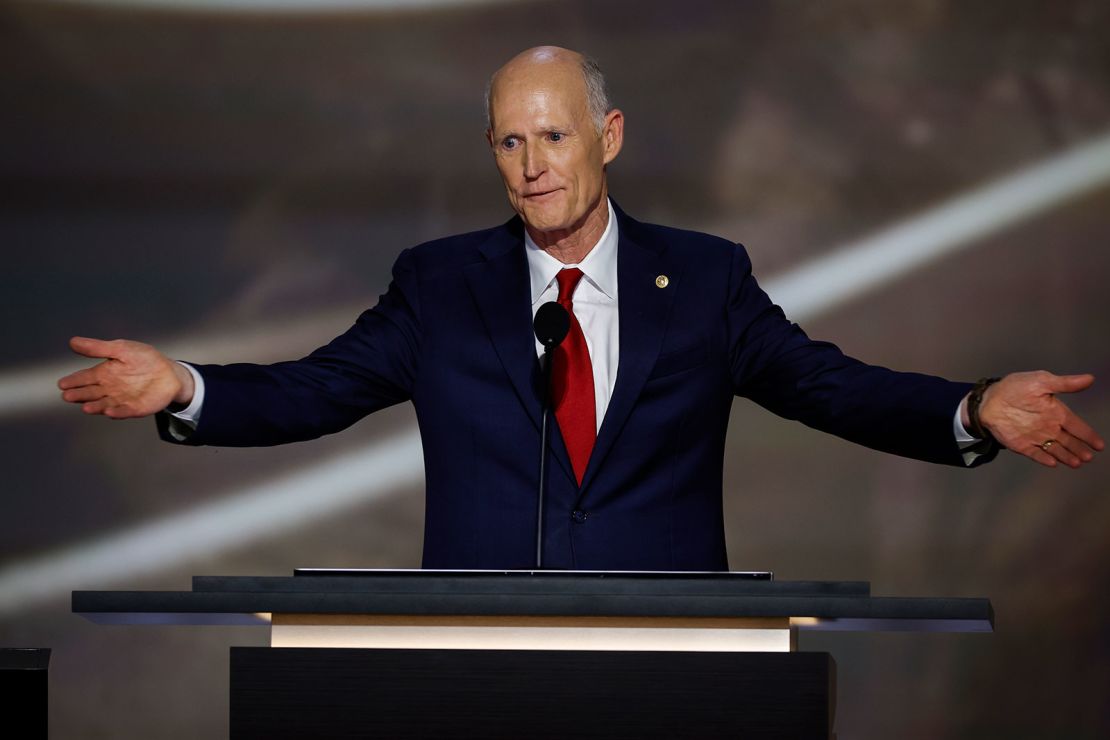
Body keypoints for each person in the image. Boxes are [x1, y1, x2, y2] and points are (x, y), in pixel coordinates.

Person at [58, 47, 1103, 570]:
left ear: (607, 135)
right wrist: (185, 385)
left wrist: (971, 409)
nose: (533, 165)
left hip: (678, 658)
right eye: (512, 143)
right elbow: (315, 389)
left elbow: (828, 386)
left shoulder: (704, 278)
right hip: (479, 663)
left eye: (553, 137)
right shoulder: (440, 283)